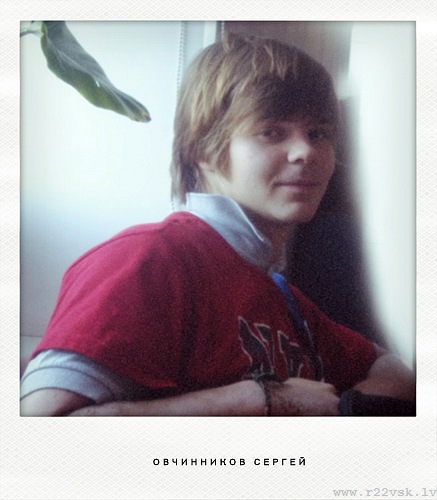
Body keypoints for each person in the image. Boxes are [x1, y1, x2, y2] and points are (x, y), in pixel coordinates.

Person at [20, 33, 415, 417]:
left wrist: (345, 414)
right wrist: (263, 401)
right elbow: (42, 429)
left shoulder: (285, 298)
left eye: (318, 133)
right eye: (272, 132)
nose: (305, 151)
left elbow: (393, 371)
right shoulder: (146, 259)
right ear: (203, 149)